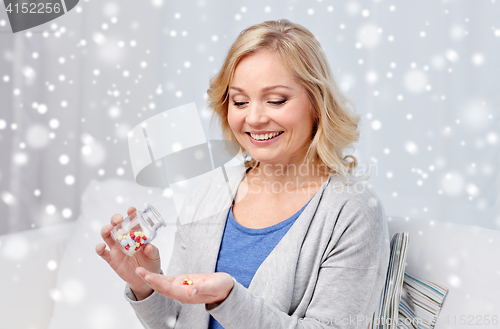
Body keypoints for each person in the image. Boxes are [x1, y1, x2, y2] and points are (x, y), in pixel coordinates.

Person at [96, 19, 390, 329]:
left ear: (317, 103)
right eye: (239, 101)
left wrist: (230, 301)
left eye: (276, 100)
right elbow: (178, 323)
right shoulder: (209, 192)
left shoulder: (353, 211)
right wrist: (145, 286)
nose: (254, 117)